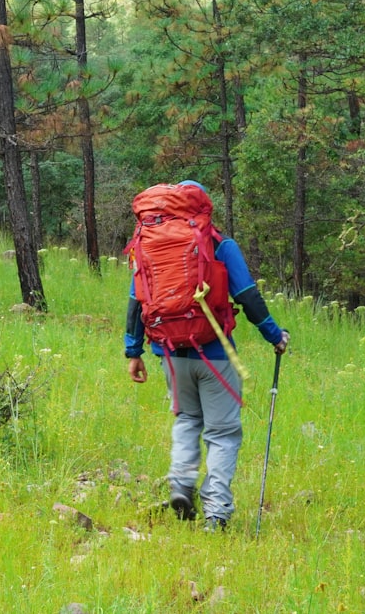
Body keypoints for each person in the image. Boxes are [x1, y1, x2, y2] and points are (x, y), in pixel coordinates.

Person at [124, 180, 289, 532]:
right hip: (213, 354)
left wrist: (132, 352)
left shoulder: (149, 246)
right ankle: (216, 513)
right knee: (223, 433)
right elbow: (247, 296)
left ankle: (181, 484)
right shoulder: (219, 245)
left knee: (187, 421)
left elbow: (137, 299)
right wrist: (275, 336)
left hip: (169, 354)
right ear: (203, 209)